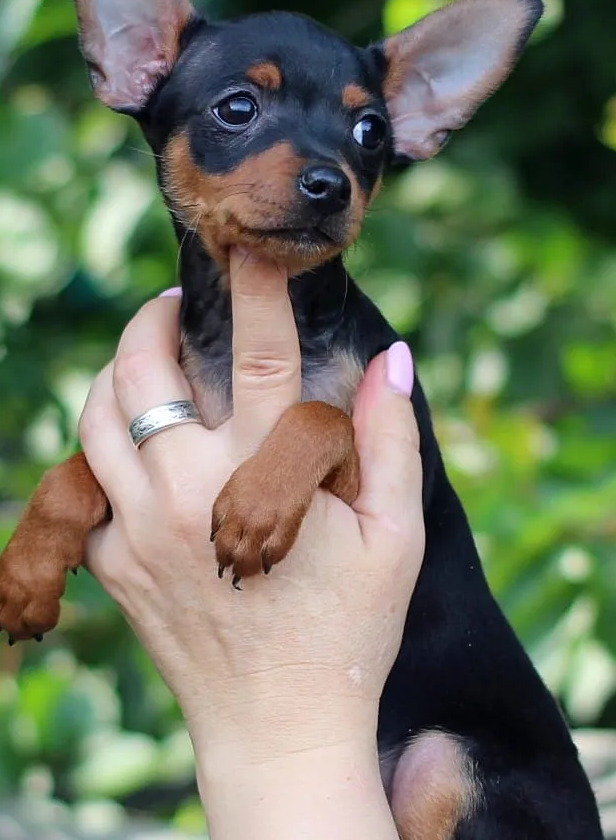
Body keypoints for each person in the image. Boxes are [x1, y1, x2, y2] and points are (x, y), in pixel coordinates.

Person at [81, 250, 426, 840]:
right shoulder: (179, 359)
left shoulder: (347, 349)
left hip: (443, 724)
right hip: (333, 764)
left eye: (364, 148)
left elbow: (345, 482)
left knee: (444, 768)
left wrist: (275, 735)